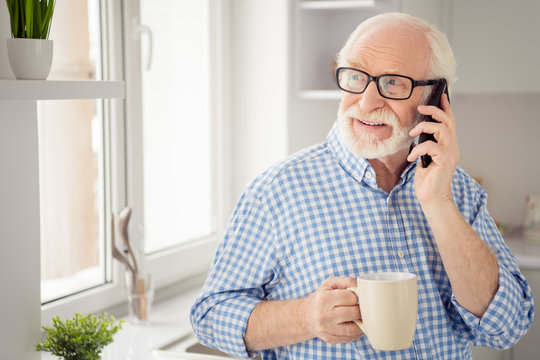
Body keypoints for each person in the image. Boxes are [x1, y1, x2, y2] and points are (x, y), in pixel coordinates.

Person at [190, 12, 534, 359]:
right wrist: (305, 317)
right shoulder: (276, 192)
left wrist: (439, 203)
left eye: (394, 83)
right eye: (356, 77)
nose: (367, 102)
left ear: (434, 98)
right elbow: (210, 315)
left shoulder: (458, 192)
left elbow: (507, 326)